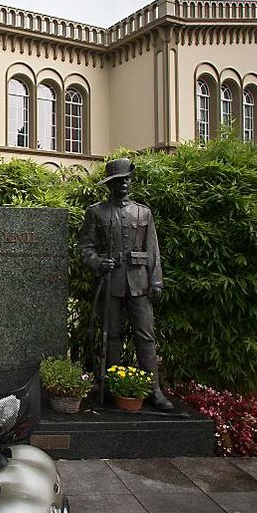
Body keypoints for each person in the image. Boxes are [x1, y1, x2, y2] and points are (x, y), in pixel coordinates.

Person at [79, 158, 174, 411]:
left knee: (146, 336)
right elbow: (85, 248)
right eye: (120, 180)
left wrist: (156, 281)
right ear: (110, 184)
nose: (125, 184)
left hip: (139, 281)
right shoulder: (96, 212)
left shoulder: (143, 212)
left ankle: (154, 389)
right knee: (111, 337)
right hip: (111, 281)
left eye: (127, 179)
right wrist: (99, 262)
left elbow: (152, 249)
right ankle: (111, 385)